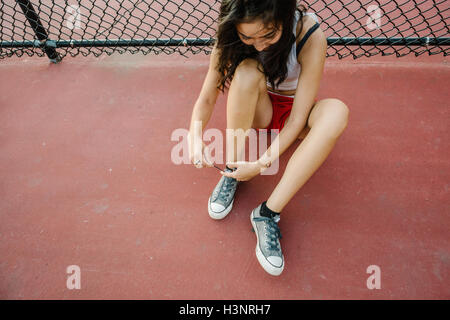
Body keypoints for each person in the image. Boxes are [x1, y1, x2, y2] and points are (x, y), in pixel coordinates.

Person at [188, 0, 349, 276]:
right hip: (260, 108)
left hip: (296, 115)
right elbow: (207, 95)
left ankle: (267, 213)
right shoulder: (228, 36)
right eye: (247, 37)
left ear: (285, 17)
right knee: (246, 71)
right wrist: (194, 135)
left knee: (337, 112)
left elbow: (298, 119)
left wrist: (262, 163)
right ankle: (232, 170)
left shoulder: (309, 34)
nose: (260, 45)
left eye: (268, 35)